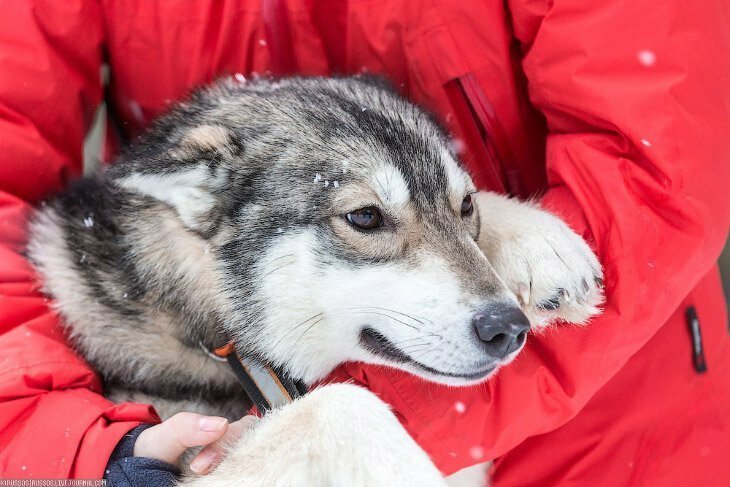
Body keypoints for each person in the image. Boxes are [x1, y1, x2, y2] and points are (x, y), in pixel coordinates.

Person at [1, 0, 728, 485]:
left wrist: (362, 431)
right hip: (209, 364)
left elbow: (660, 163)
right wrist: (97, 451)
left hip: (604, 420)